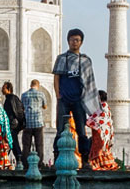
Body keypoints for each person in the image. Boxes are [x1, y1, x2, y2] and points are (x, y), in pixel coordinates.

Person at [53, 28, 97, 166]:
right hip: (64, 100)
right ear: (68, 41)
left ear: (81, 42)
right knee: (60, 130)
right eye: (72, 40)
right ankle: (57, 159)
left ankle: (85, 160)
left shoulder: (84, 60)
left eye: (77, 40)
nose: (74, 42)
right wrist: (58, 95)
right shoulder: (61, 59)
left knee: (81, 131)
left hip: (78, 100)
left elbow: (90, 82)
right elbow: (56, 77)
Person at [86, 90, 117, 171]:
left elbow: (96, 117)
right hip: (104, 132)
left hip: (101, 133)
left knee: (99, 148)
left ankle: (99, 165)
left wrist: (86, 121)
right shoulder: (105, 106)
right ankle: (104, 164)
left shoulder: (102, 106)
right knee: (102, 148)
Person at [21, 80, 47, 168]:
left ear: (30, 85)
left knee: (26, 145)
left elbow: (22, 108)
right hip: (38, 122)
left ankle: (25, 164)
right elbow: (45, 106)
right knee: (39, 144)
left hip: (27, 123)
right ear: (38, 86)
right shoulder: (41, 94)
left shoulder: (24, 95)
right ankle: (39, 164)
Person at [0, 82, 25, 166]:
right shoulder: (8, 98)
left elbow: (19, 111)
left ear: (9, 89)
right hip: (11, 124)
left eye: (4, 88)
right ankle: (16, 160)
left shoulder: (12, 98)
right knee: (11, 143)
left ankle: (19, 160)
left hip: (13, 124)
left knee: (13, 142)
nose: (2, 89)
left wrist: (20, 123)